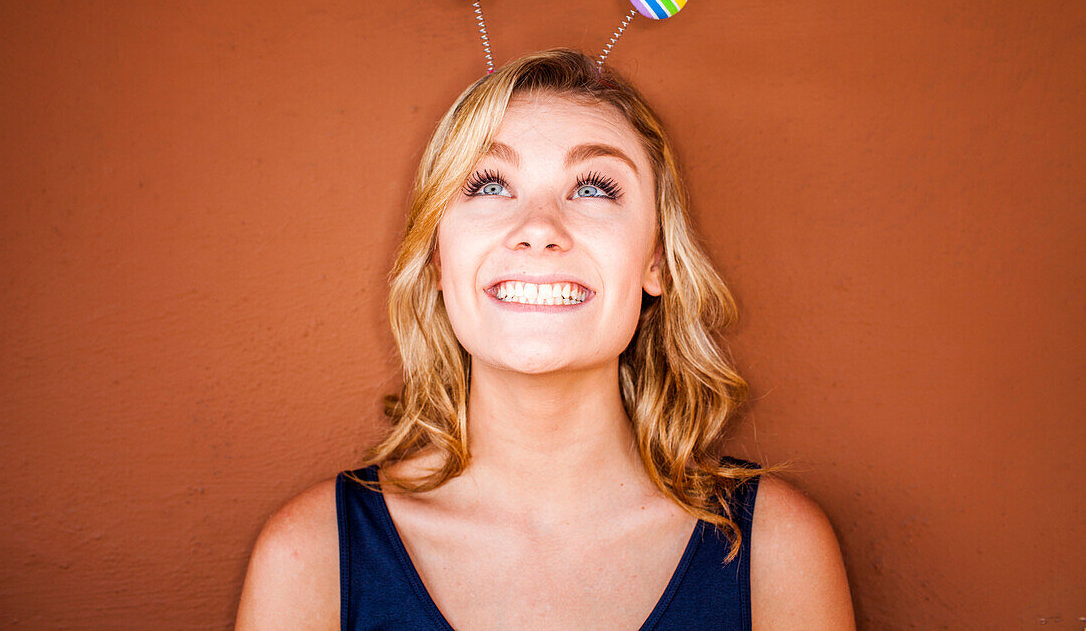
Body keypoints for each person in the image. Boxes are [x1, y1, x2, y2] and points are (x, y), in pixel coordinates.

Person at [234, 49, 855, 630]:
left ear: (657, 262)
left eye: (593, 188)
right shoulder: (310, 558)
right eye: (488, 184)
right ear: (436, 258)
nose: (538, 229)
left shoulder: (775, 549)